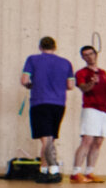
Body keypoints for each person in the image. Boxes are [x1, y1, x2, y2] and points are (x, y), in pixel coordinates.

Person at [20, 37, 75, 178]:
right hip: (59, 103)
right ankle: (43, 170)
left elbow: (24, 80)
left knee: (46, 139)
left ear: (40, 47)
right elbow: (70, 85)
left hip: (40, 102)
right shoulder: (66, 63)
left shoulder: (32, 59)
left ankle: (53, 169)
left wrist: (32, 85)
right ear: (55, 47)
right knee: (49, 139)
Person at [71, 43, 106, 183]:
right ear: (82, 58)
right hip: (91, 109)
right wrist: (92, 83)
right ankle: (76, 172)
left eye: (91, 54)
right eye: (85, 55)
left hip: (105, 110)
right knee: (87, 140)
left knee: (98, 141)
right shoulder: (81, 73)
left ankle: (89, 172)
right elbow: (83, 88)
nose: (89, 57)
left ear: (96, 55)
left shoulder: (103, 73)